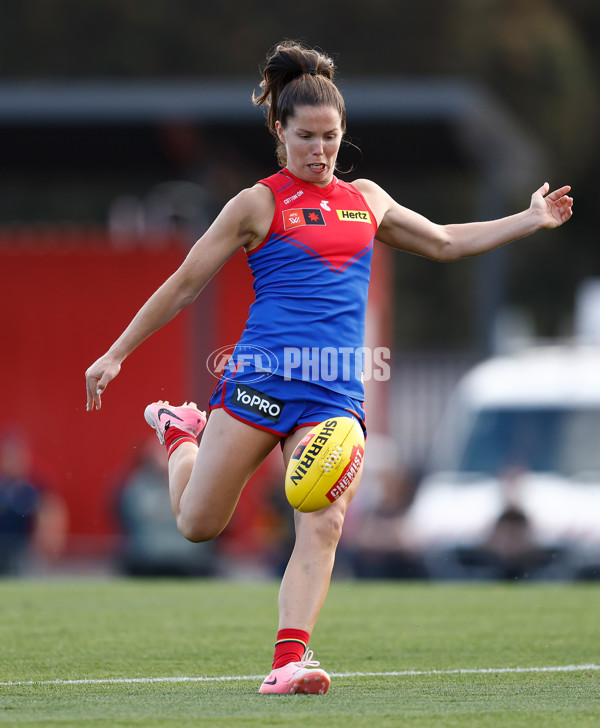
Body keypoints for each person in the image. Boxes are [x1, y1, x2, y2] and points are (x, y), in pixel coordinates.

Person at [85, 41, 573, 694]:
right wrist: (116, 352)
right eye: (306, 137)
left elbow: (446, 241)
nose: (319, 150)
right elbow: (183, 285)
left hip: (335, 395)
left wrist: (530, 218)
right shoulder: (257, 204)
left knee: (326, 519)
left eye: (331, 138)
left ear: (343, 138)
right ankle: (181, 432)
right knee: (198, 525)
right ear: (280, 134)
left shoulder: (366, 199)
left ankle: (290, 660)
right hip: (260, 384)